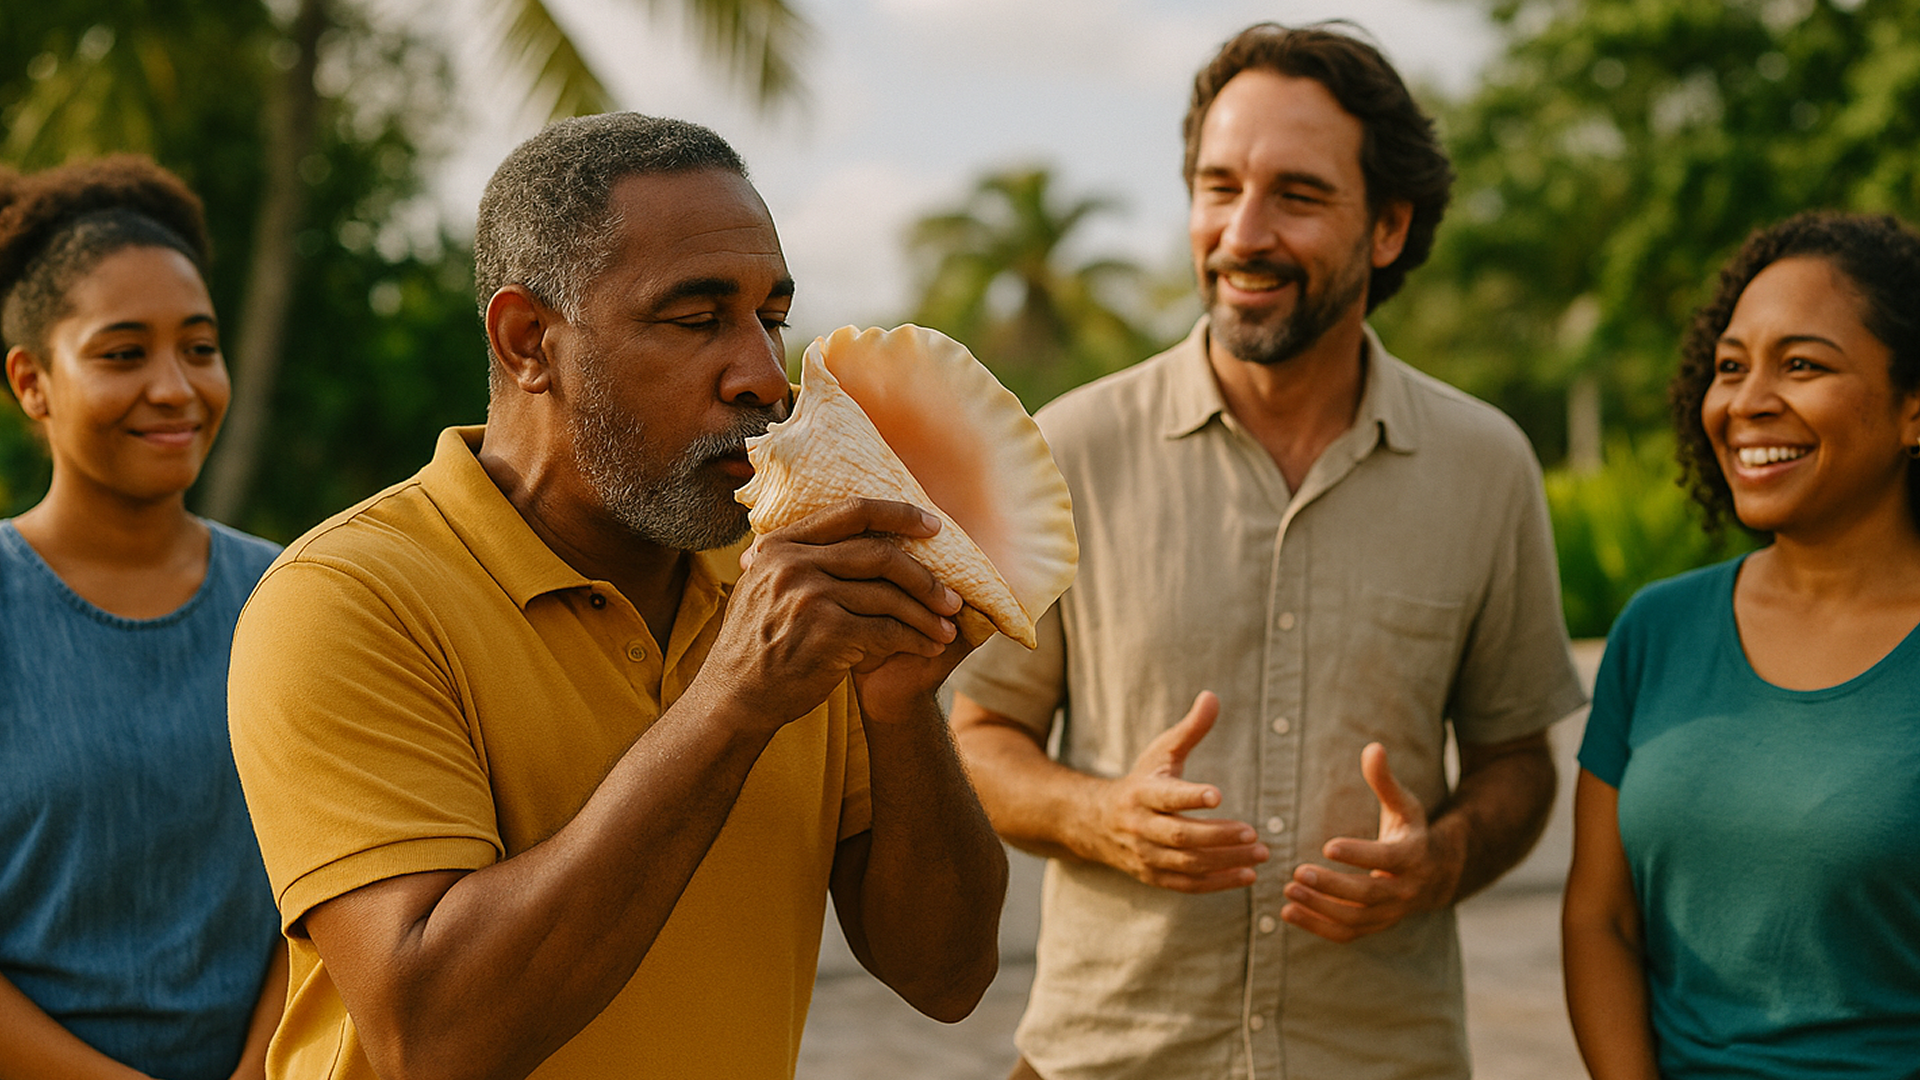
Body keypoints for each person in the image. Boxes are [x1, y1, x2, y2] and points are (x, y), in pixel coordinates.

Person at [226, 112, 1007, 1080]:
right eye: (695, 319)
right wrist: (732, 703)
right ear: (527, 342)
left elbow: (948, 977)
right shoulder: (347, 601)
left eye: (772, 319)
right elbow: (432, 1039)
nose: (766, 378)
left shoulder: (785, 585)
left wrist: (901, 708)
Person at [949, 22, 1587, 1080]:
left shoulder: (1487, 466)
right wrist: (1102, 816)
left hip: (1382, 1058)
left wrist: (1442, 861)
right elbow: (980, 738)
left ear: (1387, 228)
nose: (1242, 233)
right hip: (1108, 1058)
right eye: (1217, 186)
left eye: (1296, 195)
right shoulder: (1067, 449)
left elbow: (1520, 761)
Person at [1563, 212, 1920, 1078]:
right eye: (1730, 367)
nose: (1747, 401)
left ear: (1915, 410)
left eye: (1802, 365)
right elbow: (1599, 919)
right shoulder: (1658, 630)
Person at [0, 157, 286, 1079]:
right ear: (33, 383)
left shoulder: (292, 598)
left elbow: (328, 886)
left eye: (199, 347)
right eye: (123, 353)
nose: (175, 388)